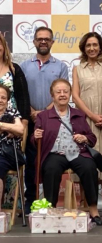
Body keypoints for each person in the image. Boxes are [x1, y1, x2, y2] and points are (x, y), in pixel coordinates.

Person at [32, 79, 102, 226]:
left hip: (77, 153)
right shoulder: (43, 116)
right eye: (58, 92)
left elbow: (92, 138)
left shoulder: (79, 114)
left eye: (66, 91)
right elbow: (34, 140)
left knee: (89, 168)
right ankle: (50, 209)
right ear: (52, 96)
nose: (62, 94)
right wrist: (35, 136)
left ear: (70, 94)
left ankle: (93, 209)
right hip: (55, 154)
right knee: (50, 169)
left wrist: (84, 138)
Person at [20, 27, 68, 214]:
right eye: (40, 39)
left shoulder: (61, 66)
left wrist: (44, 113)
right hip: (30, 120)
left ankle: (50, 204)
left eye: (47, 39)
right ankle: (30, 201)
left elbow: (63, 93)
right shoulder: (24, 66)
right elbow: (22, 94)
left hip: (53, 119)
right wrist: (32, 112)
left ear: (52, 42)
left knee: (51, 161)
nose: (43, 42)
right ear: (34, 42)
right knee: (31, 162)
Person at [72, 32, 102, 217]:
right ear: (84, 48)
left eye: (95, 45)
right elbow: (75, 96)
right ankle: (86, 200)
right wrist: (92, 116)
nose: (92, 48)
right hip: (85, 120)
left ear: (100, 47)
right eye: (88, 45)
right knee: (85, 158)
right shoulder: (77, 69)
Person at [0, 84, 25, 210]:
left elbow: (20, 130)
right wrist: (9, 127)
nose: (0, 100)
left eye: (3, 97)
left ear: (7, 100)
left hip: (7, 154)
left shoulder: (12, 112)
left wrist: (1, 125)